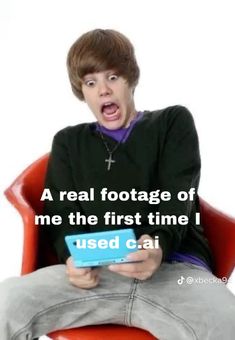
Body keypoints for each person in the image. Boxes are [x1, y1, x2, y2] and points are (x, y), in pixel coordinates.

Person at [0, 28, 235, 340]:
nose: (103, 91)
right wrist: (71, 258)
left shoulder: (171, 123)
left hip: (174, 272)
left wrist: (156, 247)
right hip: (97, 276)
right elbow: (62, 215)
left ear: (130, 79)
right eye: (91, 82)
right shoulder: (69, 143)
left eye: (113, 77)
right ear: (81, 91)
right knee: (5, 303)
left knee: (227, 323)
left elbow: (177, 200)